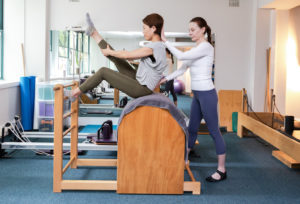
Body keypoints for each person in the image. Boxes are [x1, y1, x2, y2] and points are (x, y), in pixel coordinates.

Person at [159, 17, 227, 182]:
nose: (190, 32)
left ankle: (222, 169)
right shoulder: (196, 49)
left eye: (193, 29)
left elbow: (181, 55)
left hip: (207, 95)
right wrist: (165, 79)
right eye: (189, 30)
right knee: (192, 129)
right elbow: (181, 69)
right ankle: (184, 159)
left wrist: (166, 41)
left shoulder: (206, 47)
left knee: (213, 131)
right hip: (197, 95)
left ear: (203, 29)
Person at [72, 13, 167, 99]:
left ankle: (75, 92)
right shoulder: (158, 46)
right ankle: (94, 33)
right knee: (118, 59)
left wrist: (110, 52)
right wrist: (113, 53)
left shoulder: (155, 47)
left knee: (103, 72)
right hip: (139, 80)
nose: (143, 32)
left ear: (153, 28)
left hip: (141, 88)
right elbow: (132, 58)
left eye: (144, 28)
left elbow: (127, 55)